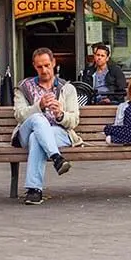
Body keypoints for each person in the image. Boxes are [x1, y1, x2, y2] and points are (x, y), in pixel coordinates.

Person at [12, 48, 79, 205]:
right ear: (34, 66)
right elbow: (20, 115)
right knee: (37, 119)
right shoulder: (23, 87)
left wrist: (60, 115)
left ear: (54, 63)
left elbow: (74, 120)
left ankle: (34, 190)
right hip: (26, 133)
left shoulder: (67, 88)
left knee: (38, 137)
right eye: (40, 67)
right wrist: (39, 106)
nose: (44, 70)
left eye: (47, 65)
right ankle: (56, 157)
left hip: (58, 131)